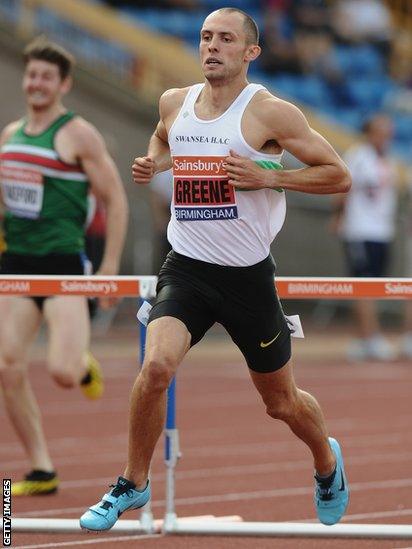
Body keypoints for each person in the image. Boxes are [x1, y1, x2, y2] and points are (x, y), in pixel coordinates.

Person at [80, 7, 351, 530]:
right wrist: (155, 159)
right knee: (156, 367)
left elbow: (337, 174)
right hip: (186, 267)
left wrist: (272, 178)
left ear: (251, 51)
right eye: (206, 37)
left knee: (282, 404)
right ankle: (133, 483)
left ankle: (326, 462)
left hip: (248, 277)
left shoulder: (271, 113)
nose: (212, 47)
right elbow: (163, 136)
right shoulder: (174, 101)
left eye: (226, 39)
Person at [0, 37, 128, 495]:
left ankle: (81, 364)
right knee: (8, 368)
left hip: (62, 268)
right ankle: (41, 468)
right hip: (15, 265)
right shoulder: (11, 134)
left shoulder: (78, 134)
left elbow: (115, 199)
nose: (36, 83)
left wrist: (109, 267)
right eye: (32, 74)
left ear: (64, 84)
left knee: (62, 373)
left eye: (46, 77)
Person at [332, 114, 398, 361]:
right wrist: (338, 216)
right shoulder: (359, 156)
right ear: (370, 132)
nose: (388, 135)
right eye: (382, 129)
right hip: (361, 230)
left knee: (375, 285)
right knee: (363, 284)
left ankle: (365, 337)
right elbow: (343, 186)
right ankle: (370, 338)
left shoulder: (386, 159)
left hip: (382, 231)